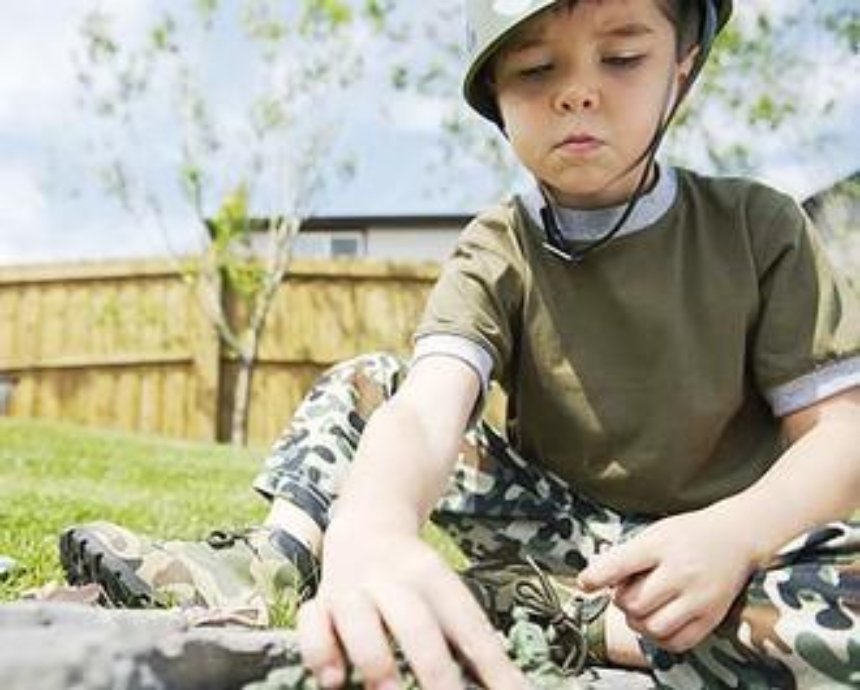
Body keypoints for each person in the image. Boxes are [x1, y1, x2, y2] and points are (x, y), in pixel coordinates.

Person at [60, 0, 860, 688]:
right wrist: (371, 528)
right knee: (373, 387)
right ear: (496, 101)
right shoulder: (498, 245)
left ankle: (539, 615)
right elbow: (426, 411)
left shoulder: (760, 227)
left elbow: (839, 437)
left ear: (681, 70)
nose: (578, 92)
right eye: (536, 69)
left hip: (728, 550)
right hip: (564, 530)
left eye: (622, 57)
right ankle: (283, 565)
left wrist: (736, 533)